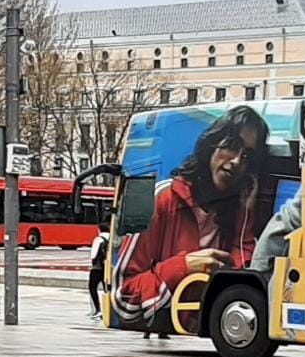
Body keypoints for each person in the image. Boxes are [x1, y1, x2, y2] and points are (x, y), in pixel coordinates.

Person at [113, 107, 270, 331]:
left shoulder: (234, 211)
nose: (236, 161)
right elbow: (122, 299)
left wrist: (246, 215)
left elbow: (244, 279)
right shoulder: (163, 200)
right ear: (211, 145)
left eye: (247, 156)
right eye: (231, 146)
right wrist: (184, 266)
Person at [87, 227, 110, 320]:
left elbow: (93, 254)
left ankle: (97, 310)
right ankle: (108, 310)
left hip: (97, 268)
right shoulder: (112, 239)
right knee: (107, 290)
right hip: (107, 269)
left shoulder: (98, 239)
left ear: (99, 230)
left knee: (92, 288)